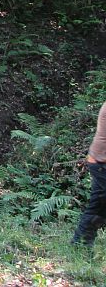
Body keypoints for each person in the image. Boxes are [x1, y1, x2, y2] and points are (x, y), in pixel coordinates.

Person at [73, 102, 106, 246]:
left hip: (99, 161)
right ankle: (80, 244)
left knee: (100, 207)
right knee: (98, 206)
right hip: (101, 163)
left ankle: (81, 243)